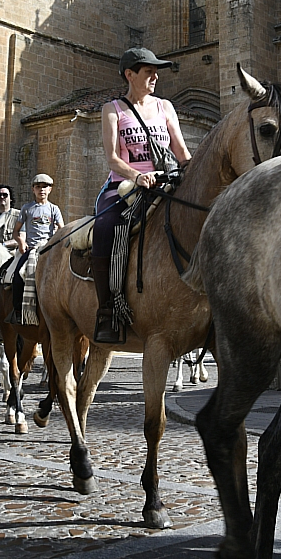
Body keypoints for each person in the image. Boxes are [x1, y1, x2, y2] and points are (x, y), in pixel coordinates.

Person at [90, 48, 192, 343]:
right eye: (149, 72)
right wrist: (137, 175)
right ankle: (108, 309)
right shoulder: (113, 110)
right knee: (104, 227)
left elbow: (181, 151)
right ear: (130, 75)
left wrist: (193, 173)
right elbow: (112, 158)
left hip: (164, 182)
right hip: (124, 186)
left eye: (156, 72)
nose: (155, 77)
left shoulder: (165, 107)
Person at [5, 174, 64, 324]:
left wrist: (54, 241)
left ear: (50, 189)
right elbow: (16, 231)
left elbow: (62, 229)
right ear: (33, 189)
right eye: (38, 187)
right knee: (18, 275)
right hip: (31, 249)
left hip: (48, 249)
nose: (41, 190)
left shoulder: (54, 209)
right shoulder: (27, 208)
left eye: (45, 187)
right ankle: (17, 311)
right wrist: (21, 242)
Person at [0, 184, 22, 252]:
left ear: (11, 198)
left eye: (5, 195)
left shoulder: (19, 216)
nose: (2, 197)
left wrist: (3, 245)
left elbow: (21, 239)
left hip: (12, 254)